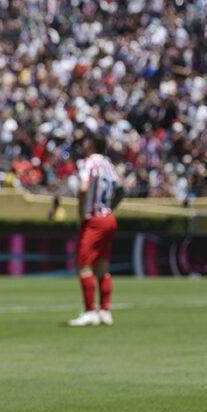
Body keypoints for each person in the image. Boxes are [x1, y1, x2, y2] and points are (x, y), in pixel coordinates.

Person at [68, 134, 124, 327]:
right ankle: (105, 311)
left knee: (84, 265)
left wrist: (81, 213)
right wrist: (110, 207)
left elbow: (83, 188)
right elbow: (121, 189)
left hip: (94, 219)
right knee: (102, 266)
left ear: (91, 145)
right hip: (109, 218)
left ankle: (90, 311)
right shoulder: (109, 165)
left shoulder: (88, 163)